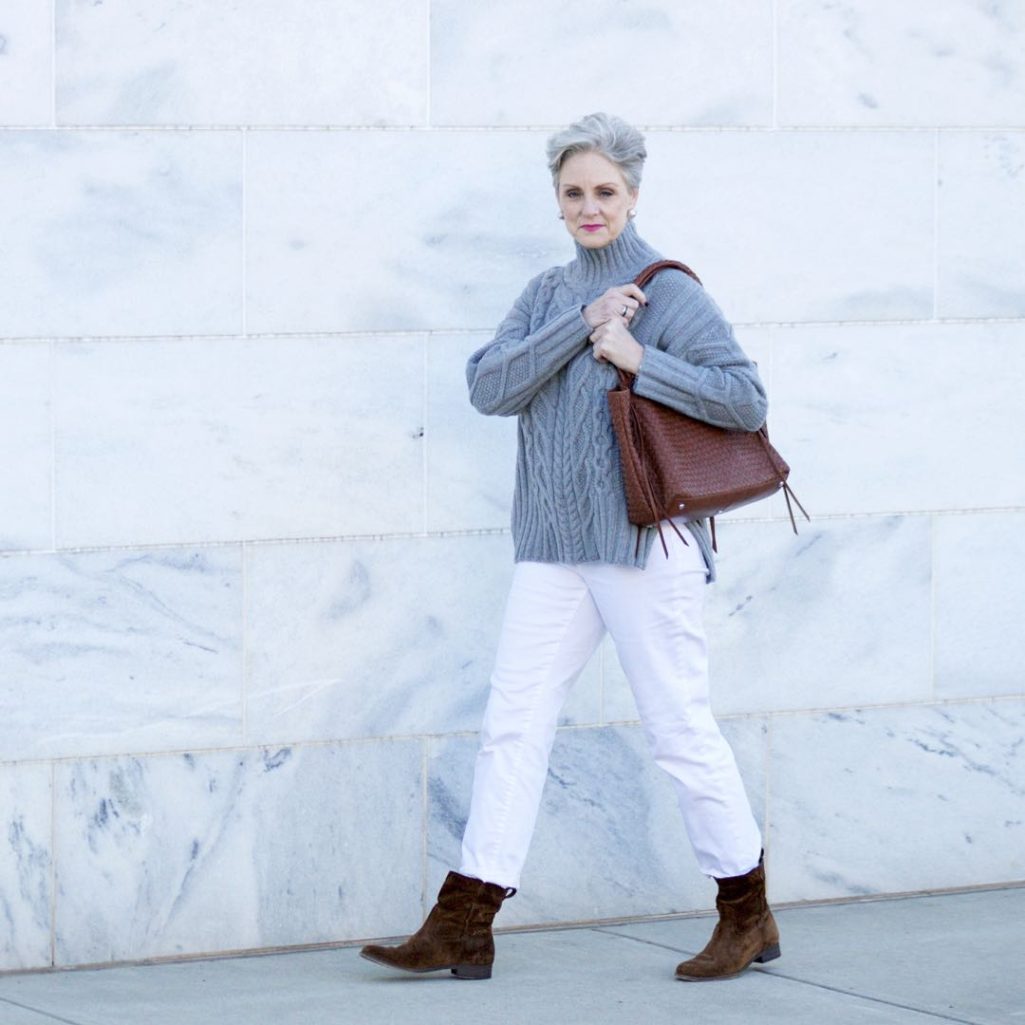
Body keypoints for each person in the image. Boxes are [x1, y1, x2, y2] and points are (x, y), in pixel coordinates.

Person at [360, 112, 779, 983]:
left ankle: (747, 912)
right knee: (511, 725)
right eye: (573, 193)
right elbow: (486, 386)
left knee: (678, 729)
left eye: (605, 192)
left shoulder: (672, 295)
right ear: (556, 202)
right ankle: (465, 920)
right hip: (552, 546)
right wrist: (580, 323)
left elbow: (743, 399)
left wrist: (637, 355)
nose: (589, 207)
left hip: (643, 543)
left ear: (632, 195)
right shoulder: (550, 291)